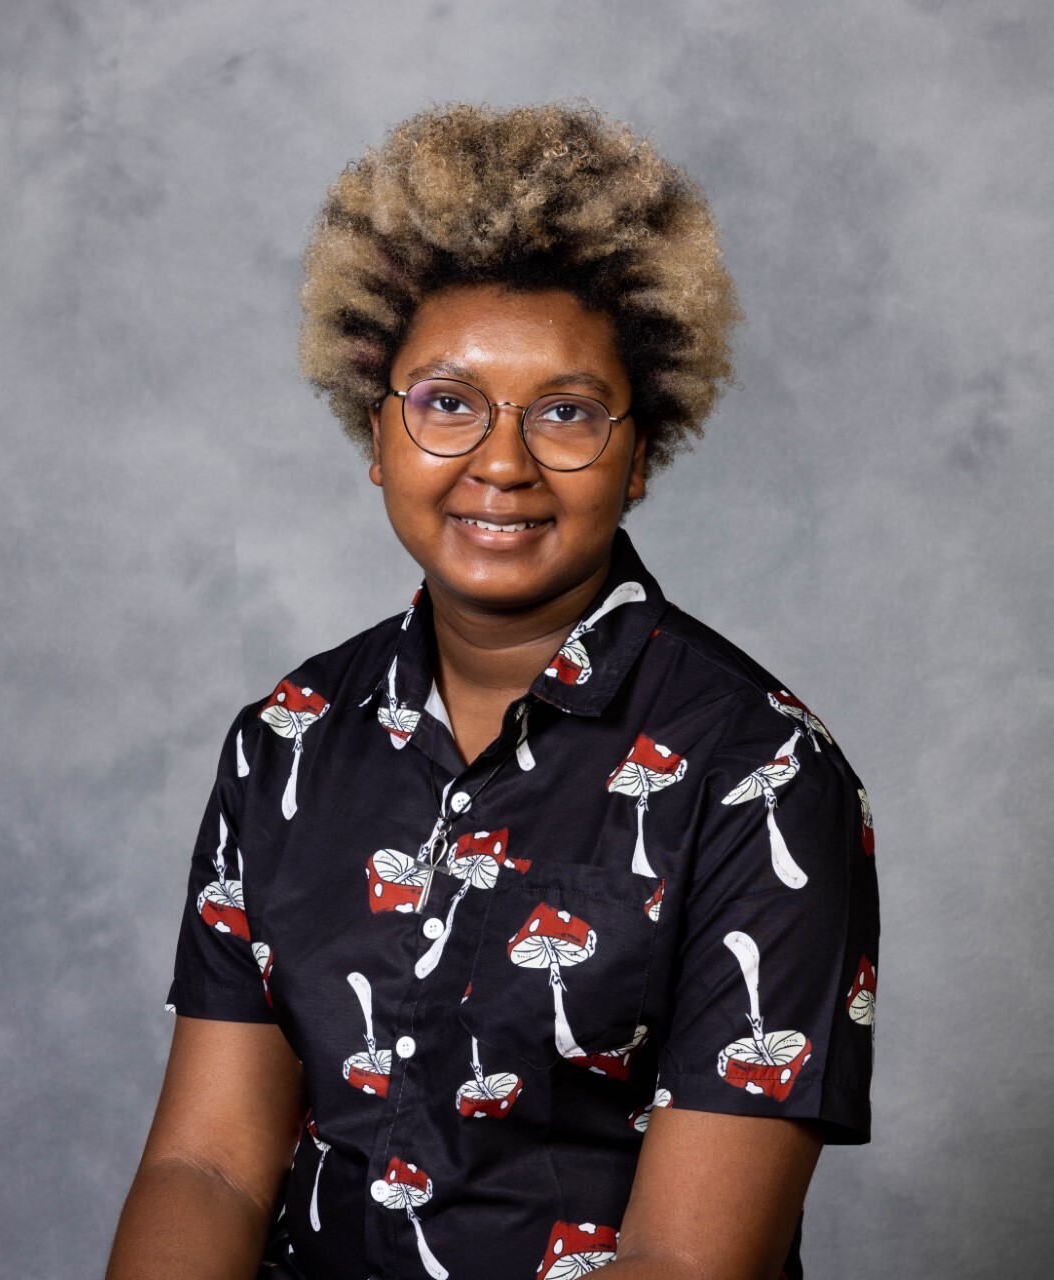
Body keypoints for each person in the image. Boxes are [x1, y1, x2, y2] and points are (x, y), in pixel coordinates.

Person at [106, 103, 878, 1280]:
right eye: (449, 401)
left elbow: (685, 1258)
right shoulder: (286, 741)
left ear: (637, 450)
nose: (502, 461)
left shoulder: (758, 771)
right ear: (380, 433)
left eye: (564, 411)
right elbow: (205, 1163)